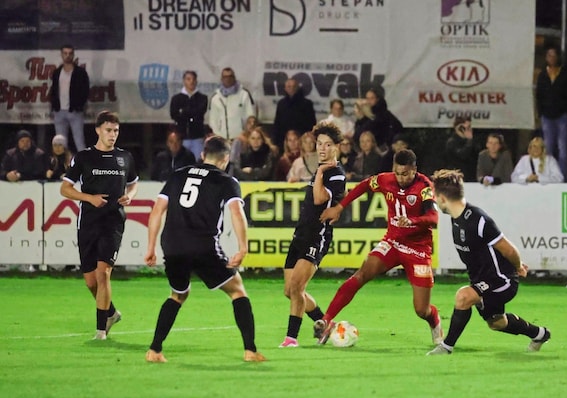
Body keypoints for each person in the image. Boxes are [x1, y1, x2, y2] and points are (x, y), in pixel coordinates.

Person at [143, 136, 266, 363]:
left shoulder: (178, 175)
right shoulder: (226, 181)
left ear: (203, 155)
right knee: (237, 290)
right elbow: (237, 214)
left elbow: (157, 209)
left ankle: (154, 350)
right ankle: (250, 351)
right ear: (226, 159)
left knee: (178, 294)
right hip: (202, 245)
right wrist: (242, 248)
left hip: (172, 244)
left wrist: (151, 247)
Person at [314, 149, 443, 346]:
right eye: (398, 173)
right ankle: (326, 320)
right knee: (361, 274)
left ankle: (434, 319)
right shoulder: (385, 180)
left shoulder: (424, 187)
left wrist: (411, 221)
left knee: (421, 310)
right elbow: (364, 185)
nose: (401, 178)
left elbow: (434, 219)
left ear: (414, 170)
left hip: (418, 249)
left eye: (406, 174)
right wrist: (339, 207)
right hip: (392, 242)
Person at [426, 169, 551, 355]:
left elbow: (508, 248)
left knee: (463, 297)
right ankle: (539, 334)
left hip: (501, 280)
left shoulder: (478, 220)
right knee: (497, 323)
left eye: (435, 197)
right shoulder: (456, 218)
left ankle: (446, 346)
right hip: (482, 279)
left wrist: (518, 266)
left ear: (443, 198)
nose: (434, 201)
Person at [60, 111, 139, 340]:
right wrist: (89, 198)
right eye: (108, 130)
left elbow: (134, 183)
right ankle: (111, 312)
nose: (112, 135)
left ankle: (100, 331)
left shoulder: (125, 157)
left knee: (103, 273)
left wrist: (130, 196)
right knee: (90, 281)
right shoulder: (84, 157)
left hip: (113, 221)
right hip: (88, 222)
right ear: (97, 130)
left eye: (115, 131)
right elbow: (65, 189)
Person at [279, 123, 347, 347]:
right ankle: (324, 322)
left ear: (337, 147)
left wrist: (319, 172)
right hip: (301, 235)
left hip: (317, 237)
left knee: (298, 287)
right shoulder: (321, 171)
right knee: (290, 291)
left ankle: (291, 339)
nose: (322, 149)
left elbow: (319, 199)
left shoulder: (336, 175)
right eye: (319, 144)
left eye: (328, 145)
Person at [536, 45, 567, 180]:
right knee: (548, 148)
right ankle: (549, 176)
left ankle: (562, 177)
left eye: (554, 55)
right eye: (549, 55)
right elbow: (539, 95)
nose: (552, 58)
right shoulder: (543, 75)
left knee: (563, 149)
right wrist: (540, 112)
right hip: (547, 116)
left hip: (562, 116)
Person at [49, 44, 90, 152]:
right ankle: (63, 167)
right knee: (60, 144)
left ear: (73, 55)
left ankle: (83, 167)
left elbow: (85, 91)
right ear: (61, 55)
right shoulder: (57, 72)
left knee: (79, 141)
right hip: (59, 111)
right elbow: (53, 90)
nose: (67, 56)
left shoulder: (80, 73)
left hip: (75, 112)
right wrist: (54, 106)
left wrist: (79, 106)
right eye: (65, 53)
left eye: (70, 53)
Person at [208, 68, 256, 141]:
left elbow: (251, 115)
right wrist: (218, 136)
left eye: (230, 76)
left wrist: (245, 134)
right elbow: (213, 120)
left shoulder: (244, 94)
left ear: (234, 78)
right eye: (225, 77)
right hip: (222, 139)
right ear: (221, 79)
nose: (228, 79)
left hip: (241, 138)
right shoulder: (215, 97)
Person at [169, 70, 209, 161]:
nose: (191, 82)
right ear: (184, 81)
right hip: (182, 137)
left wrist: (183, 111)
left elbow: (199, 113)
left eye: (193, 79)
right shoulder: (176, 98)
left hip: (197, 137)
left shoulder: (202, 98)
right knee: (182, 162)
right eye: (188, 79)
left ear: (196, 81)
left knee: (197, 162)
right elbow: (174, 115)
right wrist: (189, 113)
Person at [273, 77, 317, 150]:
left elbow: (311, 124)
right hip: (284, 142)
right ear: (285, 88)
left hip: (303, 142)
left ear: (297, 87)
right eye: (289, 86)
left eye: (294, 86)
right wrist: (276, 142)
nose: (291, 88)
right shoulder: (281, 104)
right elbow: (277, 124)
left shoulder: (307, 104)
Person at [440, 117, 480, 182]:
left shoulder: (473, 142)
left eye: (469, 127)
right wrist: (469, 141)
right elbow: (462, 155)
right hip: (457, 177)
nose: (468, 130)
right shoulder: (452, 142)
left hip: (471, 176)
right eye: (464, 127)